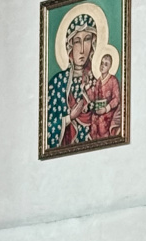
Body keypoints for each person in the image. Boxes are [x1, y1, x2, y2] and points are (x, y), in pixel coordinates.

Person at [46, 14, 97, 149]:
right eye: (77, 41)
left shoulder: (97, 82)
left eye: (87, 40)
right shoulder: (57, 83)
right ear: (70, 46)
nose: (82, 50)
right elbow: (47, 128)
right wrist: (69, 117)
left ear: (93, 44)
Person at [87, 52, 121, 139]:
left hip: (108, 112)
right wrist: (88, 88)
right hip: (98, 111)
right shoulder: (98, 81)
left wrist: (106, 109)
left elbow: (117, 99)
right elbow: (93, 98)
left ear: (110, 67)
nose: (102, 66)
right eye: (101, 63)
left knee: (102, 122)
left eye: (106, 64)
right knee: (93, 119)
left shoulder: (113, 80)